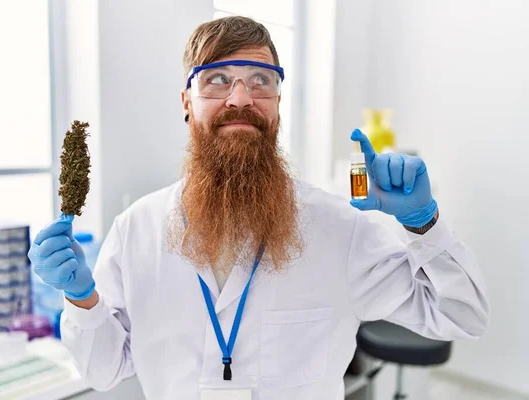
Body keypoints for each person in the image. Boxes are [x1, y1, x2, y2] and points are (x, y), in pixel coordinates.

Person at [28, 16, 489, 400]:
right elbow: (104, 371)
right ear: (186, 102)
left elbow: (462, 315)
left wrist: (422, 221)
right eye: (218, 80)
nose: (240, 98)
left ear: (277, 103)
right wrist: (82, 298)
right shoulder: (135, 231)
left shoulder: (338, 229)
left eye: (260, 81)